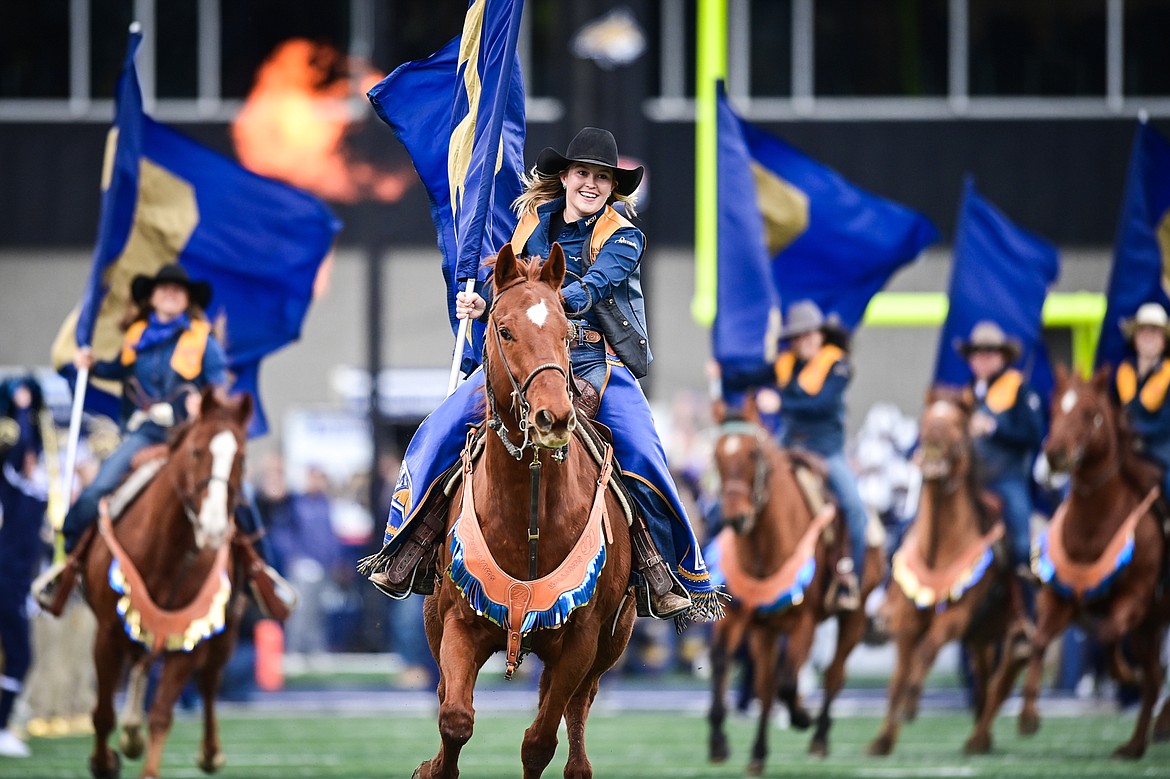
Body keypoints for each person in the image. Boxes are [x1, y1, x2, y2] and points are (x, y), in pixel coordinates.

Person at [364, 127, 719, 622]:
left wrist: (547, 304)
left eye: (601, 177)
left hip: (597, 360)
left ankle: (664, 568)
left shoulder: (624, 236)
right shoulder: (530, 224)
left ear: (613, 186)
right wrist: (483, 303)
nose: (591, 184)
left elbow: (593, 288)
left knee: (643, 449)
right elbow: (512, 293)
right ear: (566, 177)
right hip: (527, 357)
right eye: (583, 174)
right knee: (440, 428)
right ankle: (409, 544)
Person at [33, 264, 293, 619]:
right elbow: (117, 371)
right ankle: (68, 567)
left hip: (188, 435)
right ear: (152, 296)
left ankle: (262, 573)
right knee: (98, 490)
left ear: (187, 299)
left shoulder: (204, 341)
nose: (170, 293)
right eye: (163, 288)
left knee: (239, 492)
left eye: (177, 289)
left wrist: (204, 400)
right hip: (144, 433)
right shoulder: (136, 338)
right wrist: (90, 364)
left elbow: (217, 385)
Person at [957, 320, 1044, 649]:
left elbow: (1033, 435)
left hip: (1006, 480)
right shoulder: (965, 393)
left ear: (1002, 357)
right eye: (977, 353)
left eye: (989, 353)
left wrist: (993, 428)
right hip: (969, 483)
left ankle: (1025, 618)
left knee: (1021, 544)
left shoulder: (1020, 389)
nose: (982, 359)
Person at [0, 376, 51, 758]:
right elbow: (19, 447)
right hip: (6, 579)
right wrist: (19, 406)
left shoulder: (35, 494)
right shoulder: (12, 486)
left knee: (20, 655)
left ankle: (3, 726)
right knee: (19, 654)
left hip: (17, 581)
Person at [1113, 302, 1170, 501]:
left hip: (1162, 450)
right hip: (1125, 448)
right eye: (1143, 331)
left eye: (1154, 332)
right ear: (1135, 338)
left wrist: (1132, 430)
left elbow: (1165, 423)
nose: (1148, 337)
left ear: (1163, 340)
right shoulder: (1122, 372)